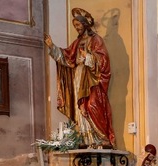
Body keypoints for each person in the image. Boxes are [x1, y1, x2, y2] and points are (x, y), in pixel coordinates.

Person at [44, 8, 115, 148]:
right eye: (75, 26)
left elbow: (103, 60)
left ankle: (101, 138)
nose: (77, 28)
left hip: (91, 79)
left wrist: (88, 57)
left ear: (85, 24)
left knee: (92, 105)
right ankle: (86, 139)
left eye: (78, 25)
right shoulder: (77, 43)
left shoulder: (96, 40)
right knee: (80, 108)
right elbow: (66, 57)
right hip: (78, 77)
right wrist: (52, 46)